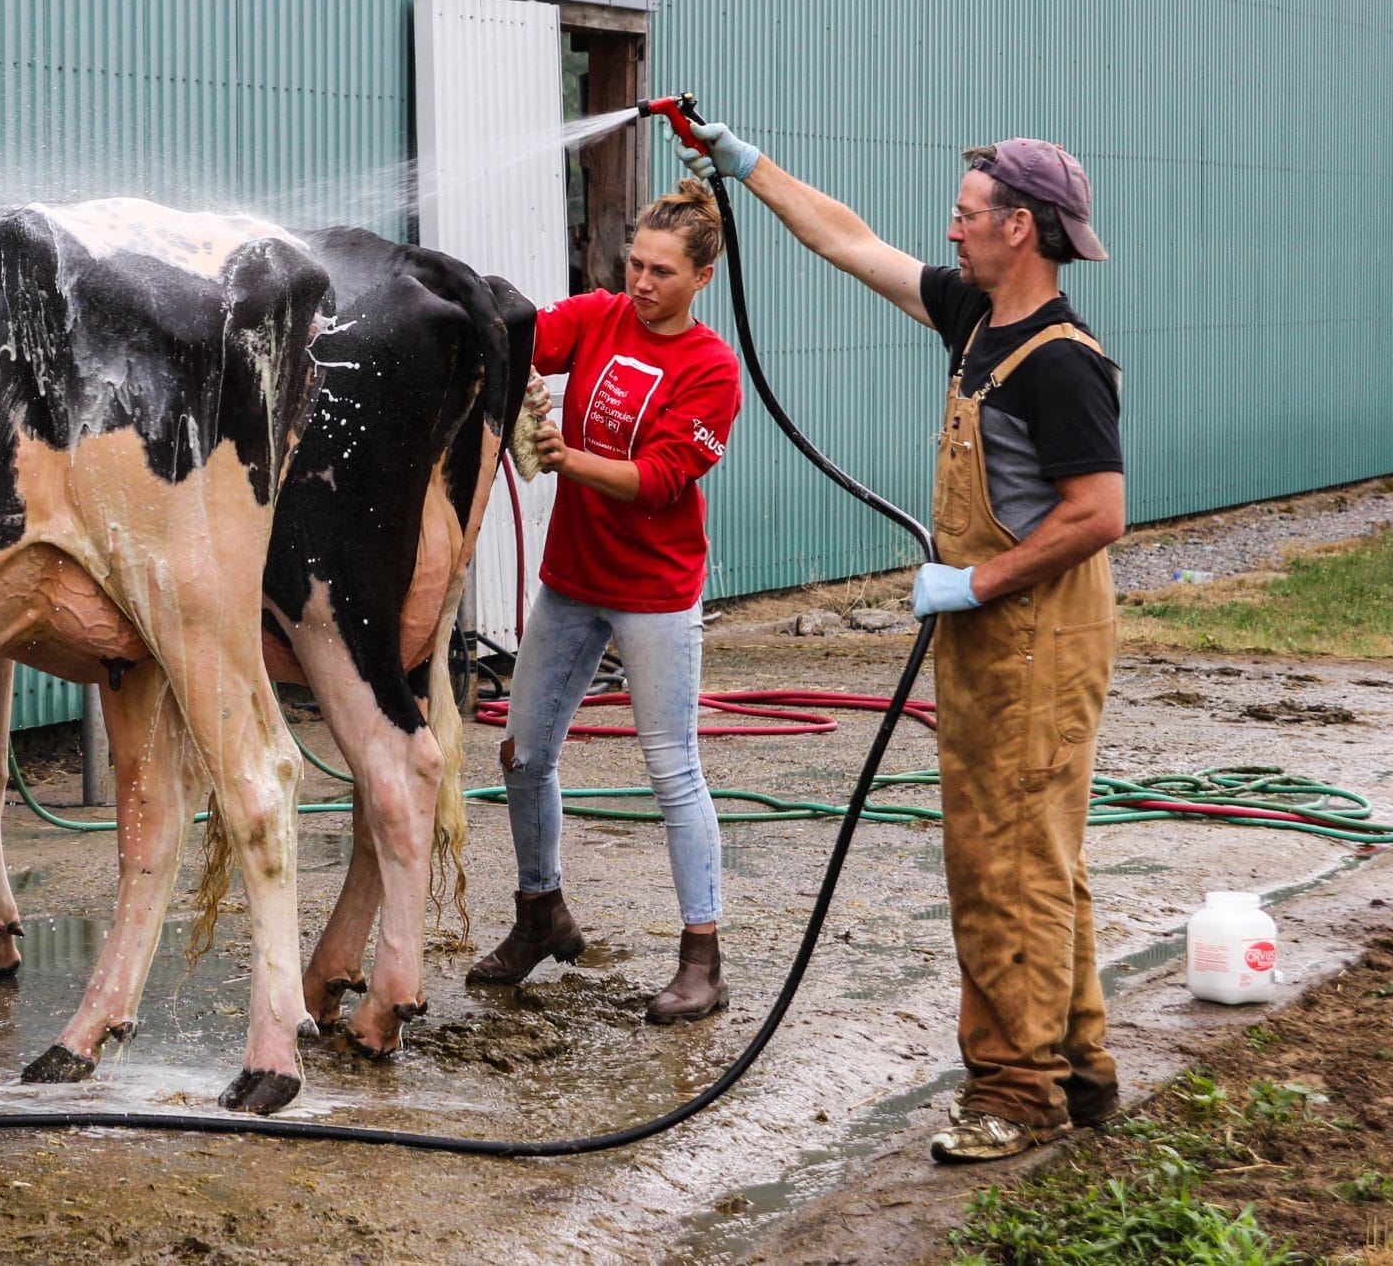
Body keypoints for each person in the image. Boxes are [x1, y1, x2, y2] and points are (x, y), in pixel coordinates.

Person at [677, 121, 1124, 1163]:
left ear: (1020, 228)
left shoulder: (1061, 362)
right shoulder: (976, 316)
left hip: (1036, 640)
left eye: (967, 217)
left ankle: (1015, 1093)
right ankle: (1079, 1063)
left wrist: (974, 580)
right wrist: (747, 166)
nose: (950, 232)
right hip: (996, 638)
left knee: (1005, 863)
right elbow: (849, 240)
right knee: (1039, 854)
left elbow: (1099, 513)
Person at [467, 182, 744, 1026]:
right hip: (573, 579)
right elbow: (520, 339)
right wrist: (489, 317)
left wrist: (564, 457)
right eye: (636, 264)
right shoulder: (598, 317)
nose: (642, 282)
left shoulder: (711, 369)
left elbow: (659, 480)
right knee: (523, 753)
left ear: (701, 277)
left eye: (663, 271)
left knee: (672, 769)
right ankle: (540, 911)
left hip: (654, 592)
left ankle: (702, 959)